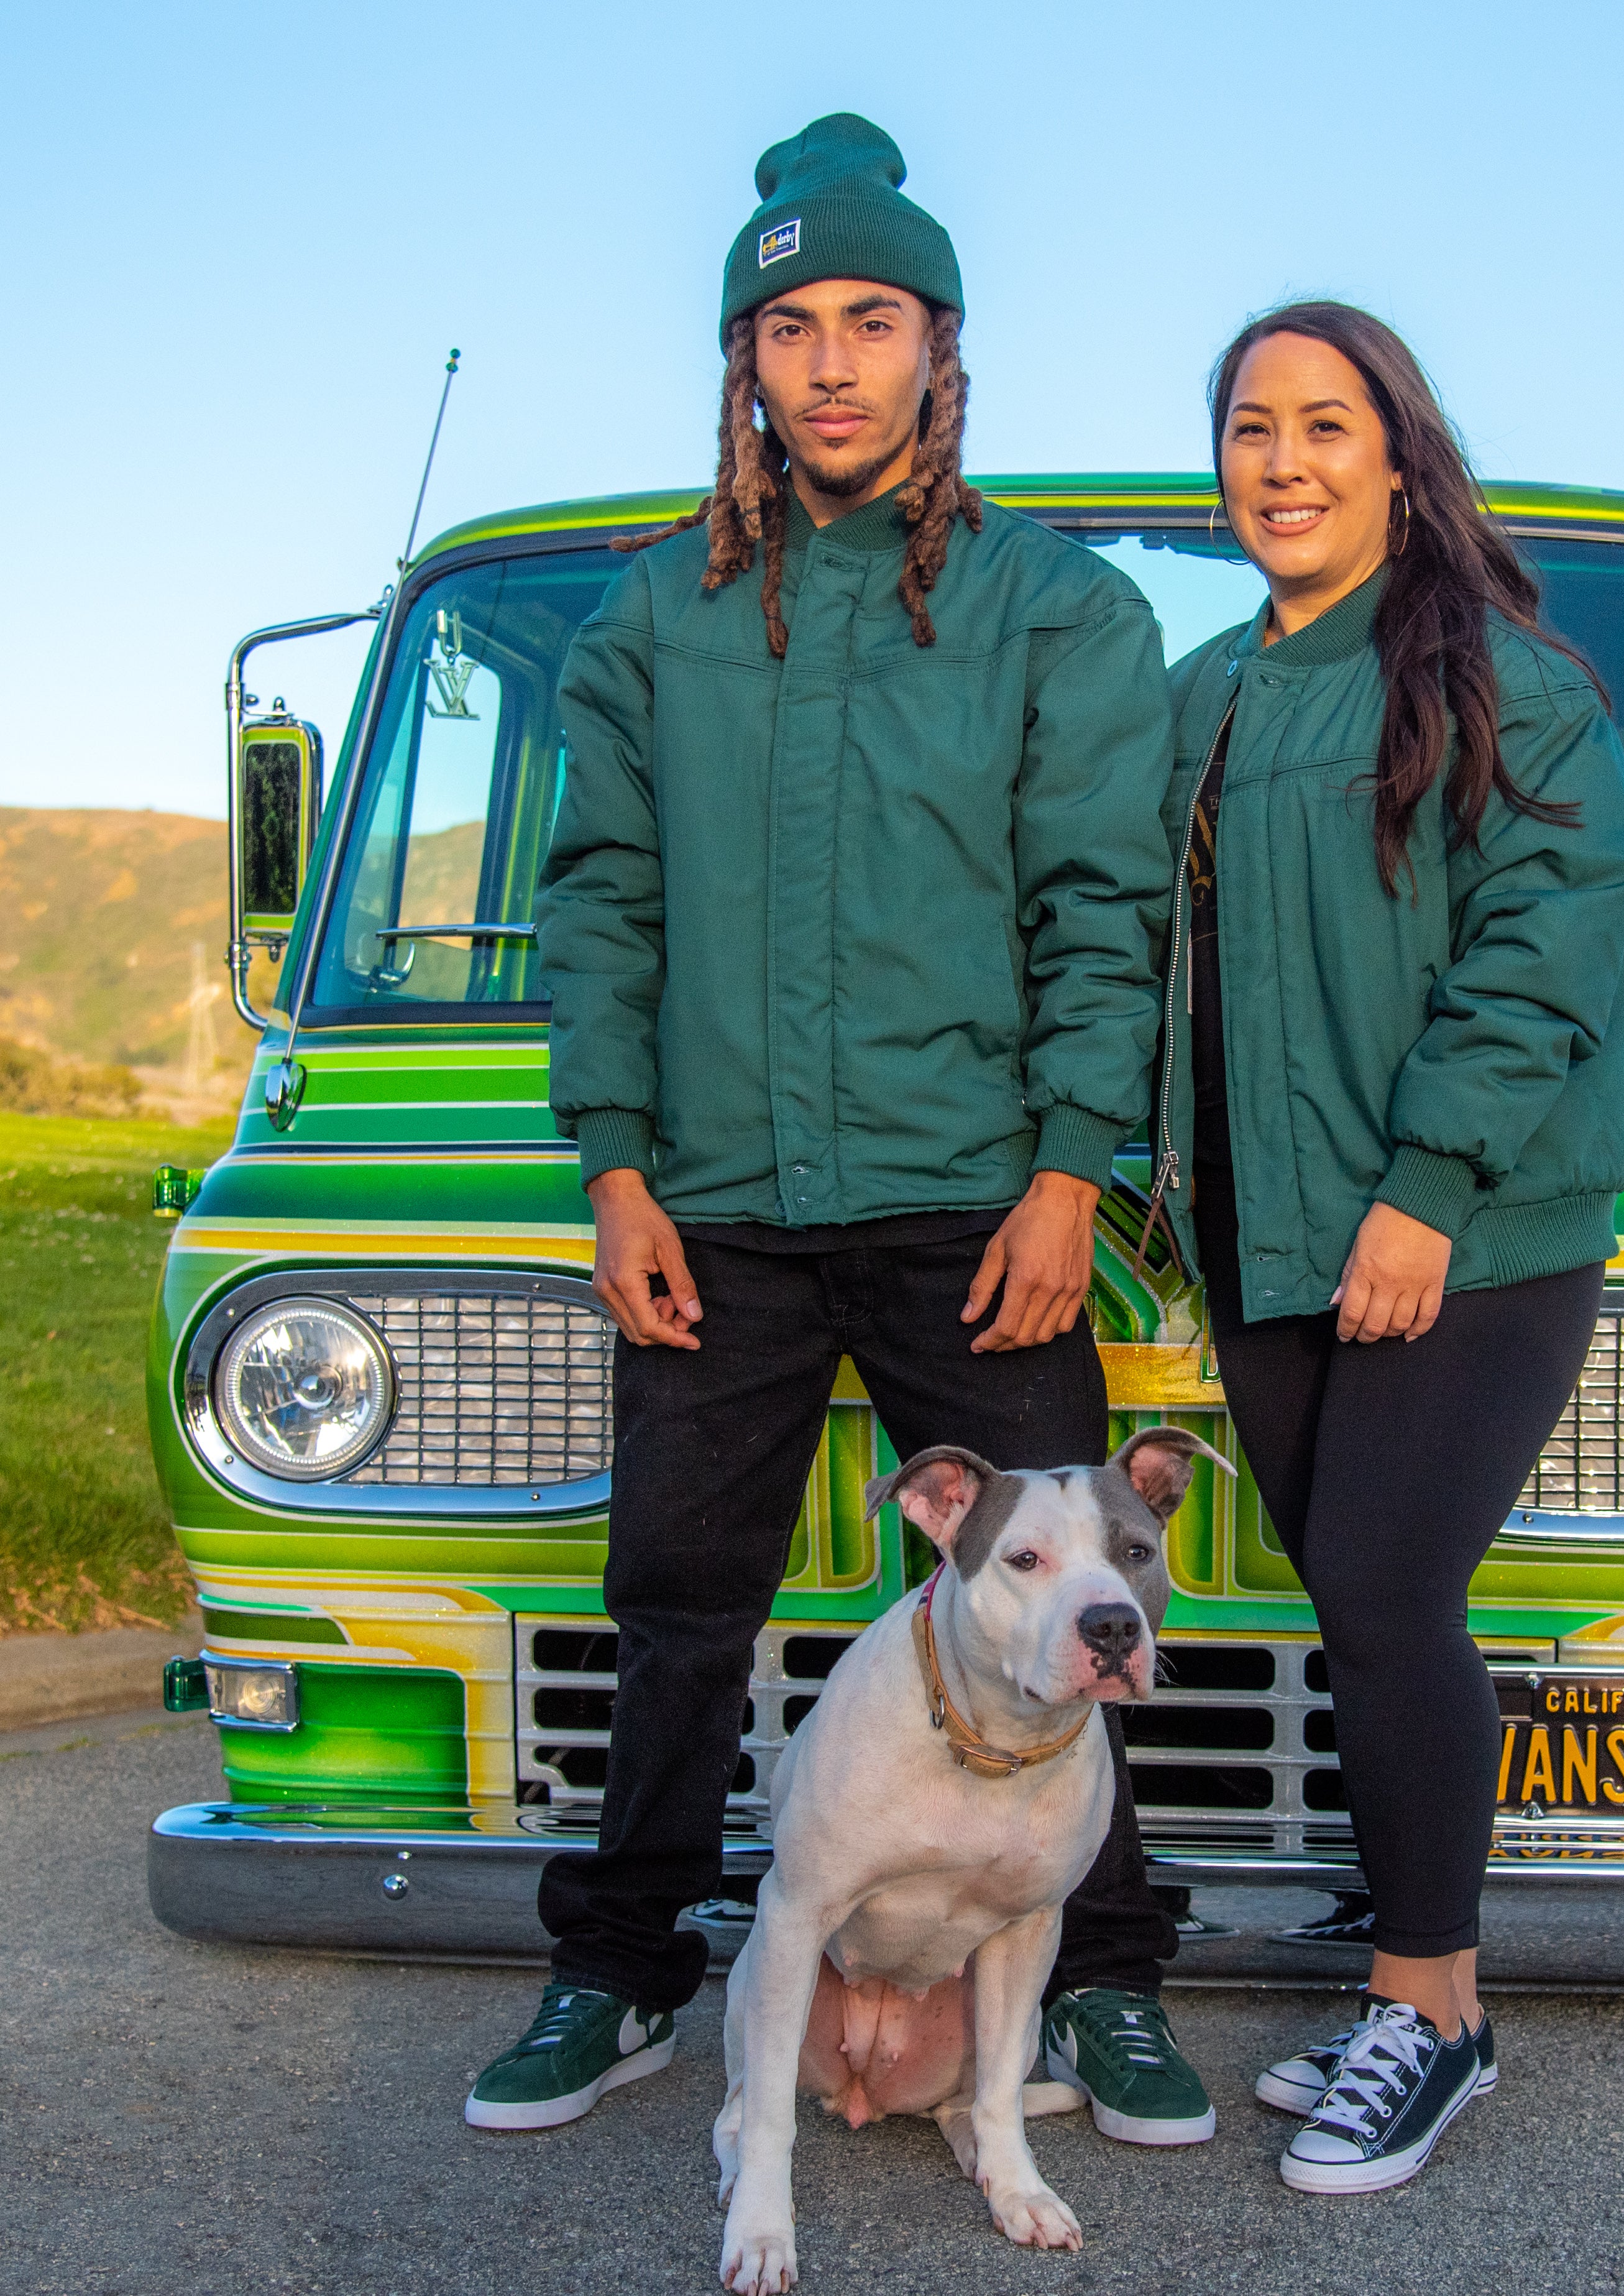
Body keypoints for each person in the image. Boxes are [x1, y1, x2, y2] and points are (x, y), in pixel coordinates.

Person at [464, 113, 1214, 2147]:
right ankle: (618, 1967)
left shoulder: (1056, 611)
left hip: (977, 1204)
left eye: (869, 320)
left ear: (939, 351)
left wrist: (1072, 1172)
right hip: (712, 1209)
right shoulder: (651, 624)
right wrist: (613, 1164)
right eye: (786, 325)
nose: (827, 363)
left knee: (1070, 1602)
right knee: (680, 1597)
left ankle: (1104, 1987)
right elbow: (602, 899)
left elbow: (1099, 910)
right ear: (744, 362)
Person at [1155, 301, 1624, 2193]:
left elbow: (1541, 955)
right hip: (1270, 1239)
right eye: (1253, 428)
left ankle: (1430, 2009)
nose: (1284, 462)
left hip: (1472, 1235)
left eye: (1325, 426)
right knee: (1355, 1602)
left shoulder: (1506, 679)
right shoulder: (1204, 695)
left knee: (1379, 1592)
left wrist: (1429, 1187)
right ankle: (1408, 1995)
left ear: (1397, 453)